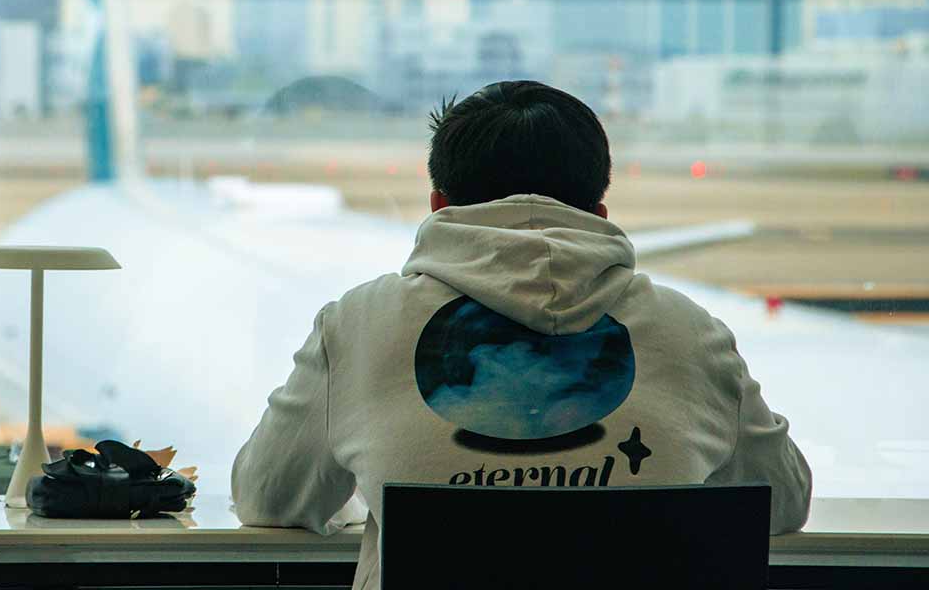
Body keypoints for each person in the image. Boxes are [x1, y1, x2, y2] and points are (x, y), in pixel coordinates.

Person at [231, 80, 812, 590]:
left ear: (438, 206)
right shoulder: (691, 332)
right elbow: (783, 502)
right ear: (601, 213)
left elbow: (268, 498)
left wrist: (368, 500)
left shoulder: (357, 324)